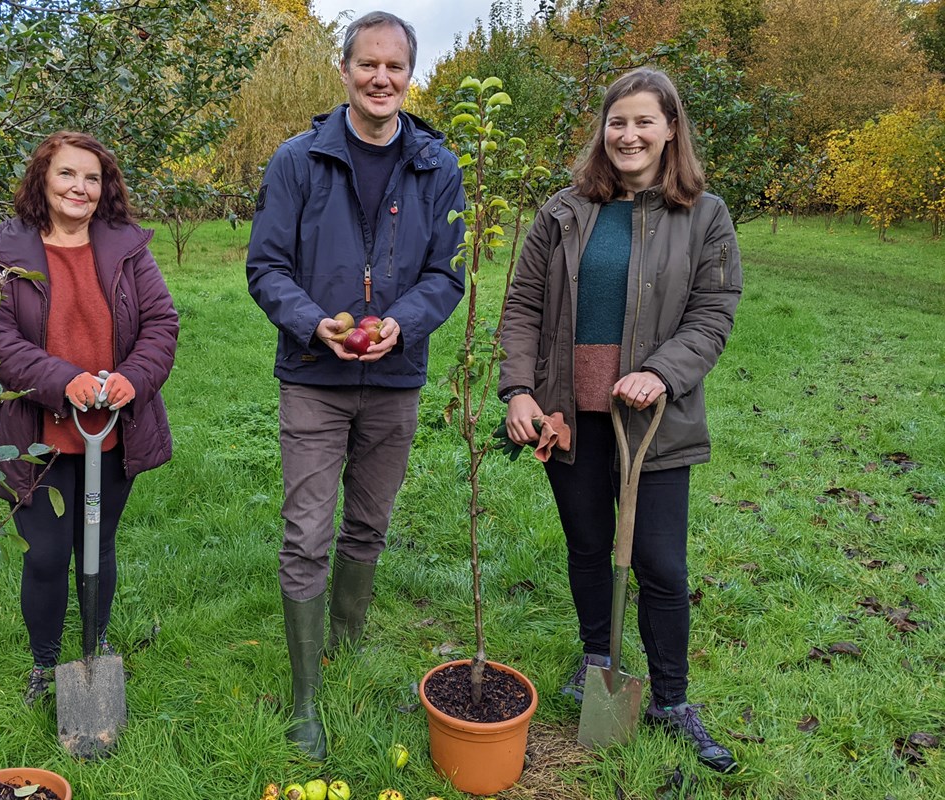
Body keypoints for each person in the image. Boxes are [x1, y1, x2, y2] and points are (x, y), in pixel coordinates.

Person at [498, 68, 742, 773]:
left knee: (660, 563)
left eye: (643, 121)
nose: (628, 134)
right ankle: (597, 659)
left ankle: (670, 698)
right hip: (570, 414)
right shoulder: (566, 211)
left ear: (671, 129)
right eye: (616, 121)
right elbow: (522, 306)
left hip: (652, 420)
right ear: (602, 130)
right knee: (587, 545)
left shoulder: (705, 215)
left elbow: (713, 312)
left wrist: (662, 370)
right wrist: (520, 390)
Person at [246, 11, 465, 760]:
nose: (380, 79)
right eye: (367, 65)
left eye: (394, 68)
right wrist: (316, 324)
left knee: (367, 524)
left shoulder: (439, 166)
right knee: (307, 532)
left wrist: (403, 321)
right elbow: (265, 267)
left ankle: (344, 644)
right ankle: (306, 696)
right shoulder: (298, 160)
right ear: (343, 70)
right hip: (315, 373)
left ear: (410, 76)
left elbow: (447, 272)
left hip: (395, 377)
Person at [0, 131, 179, 705]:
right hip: (34, 432)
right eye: (67, 174)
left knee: (98, 545)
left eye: (92, 178)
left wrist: (130, 380)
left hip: (110, 428)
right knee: (44, 553)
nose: (80, 188)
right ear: (43, 178)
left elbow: (162, 323)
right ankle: (44, 665)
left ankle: (94, 648)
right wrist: (63, 379)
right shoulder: (7, 248)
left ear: (105, 187)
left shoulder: (126, 246)